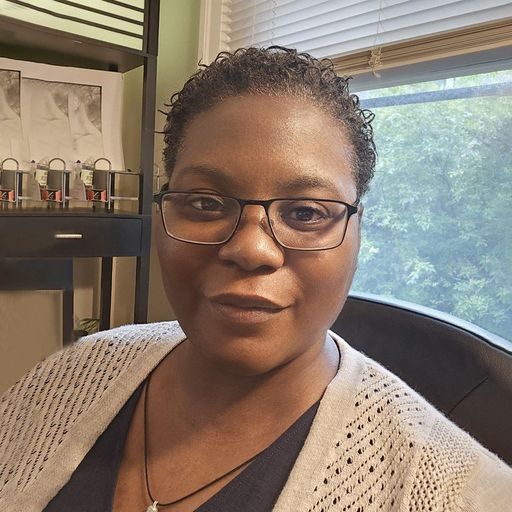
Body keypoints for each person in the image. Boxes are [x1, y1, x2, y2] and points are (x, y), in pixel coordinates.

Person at [0, 46, 511, 512]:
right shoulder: (67, 378)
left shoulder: (456, 493)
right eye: (205, 203)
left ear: (359, 232)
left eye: (306, 212)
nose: (251, 249)